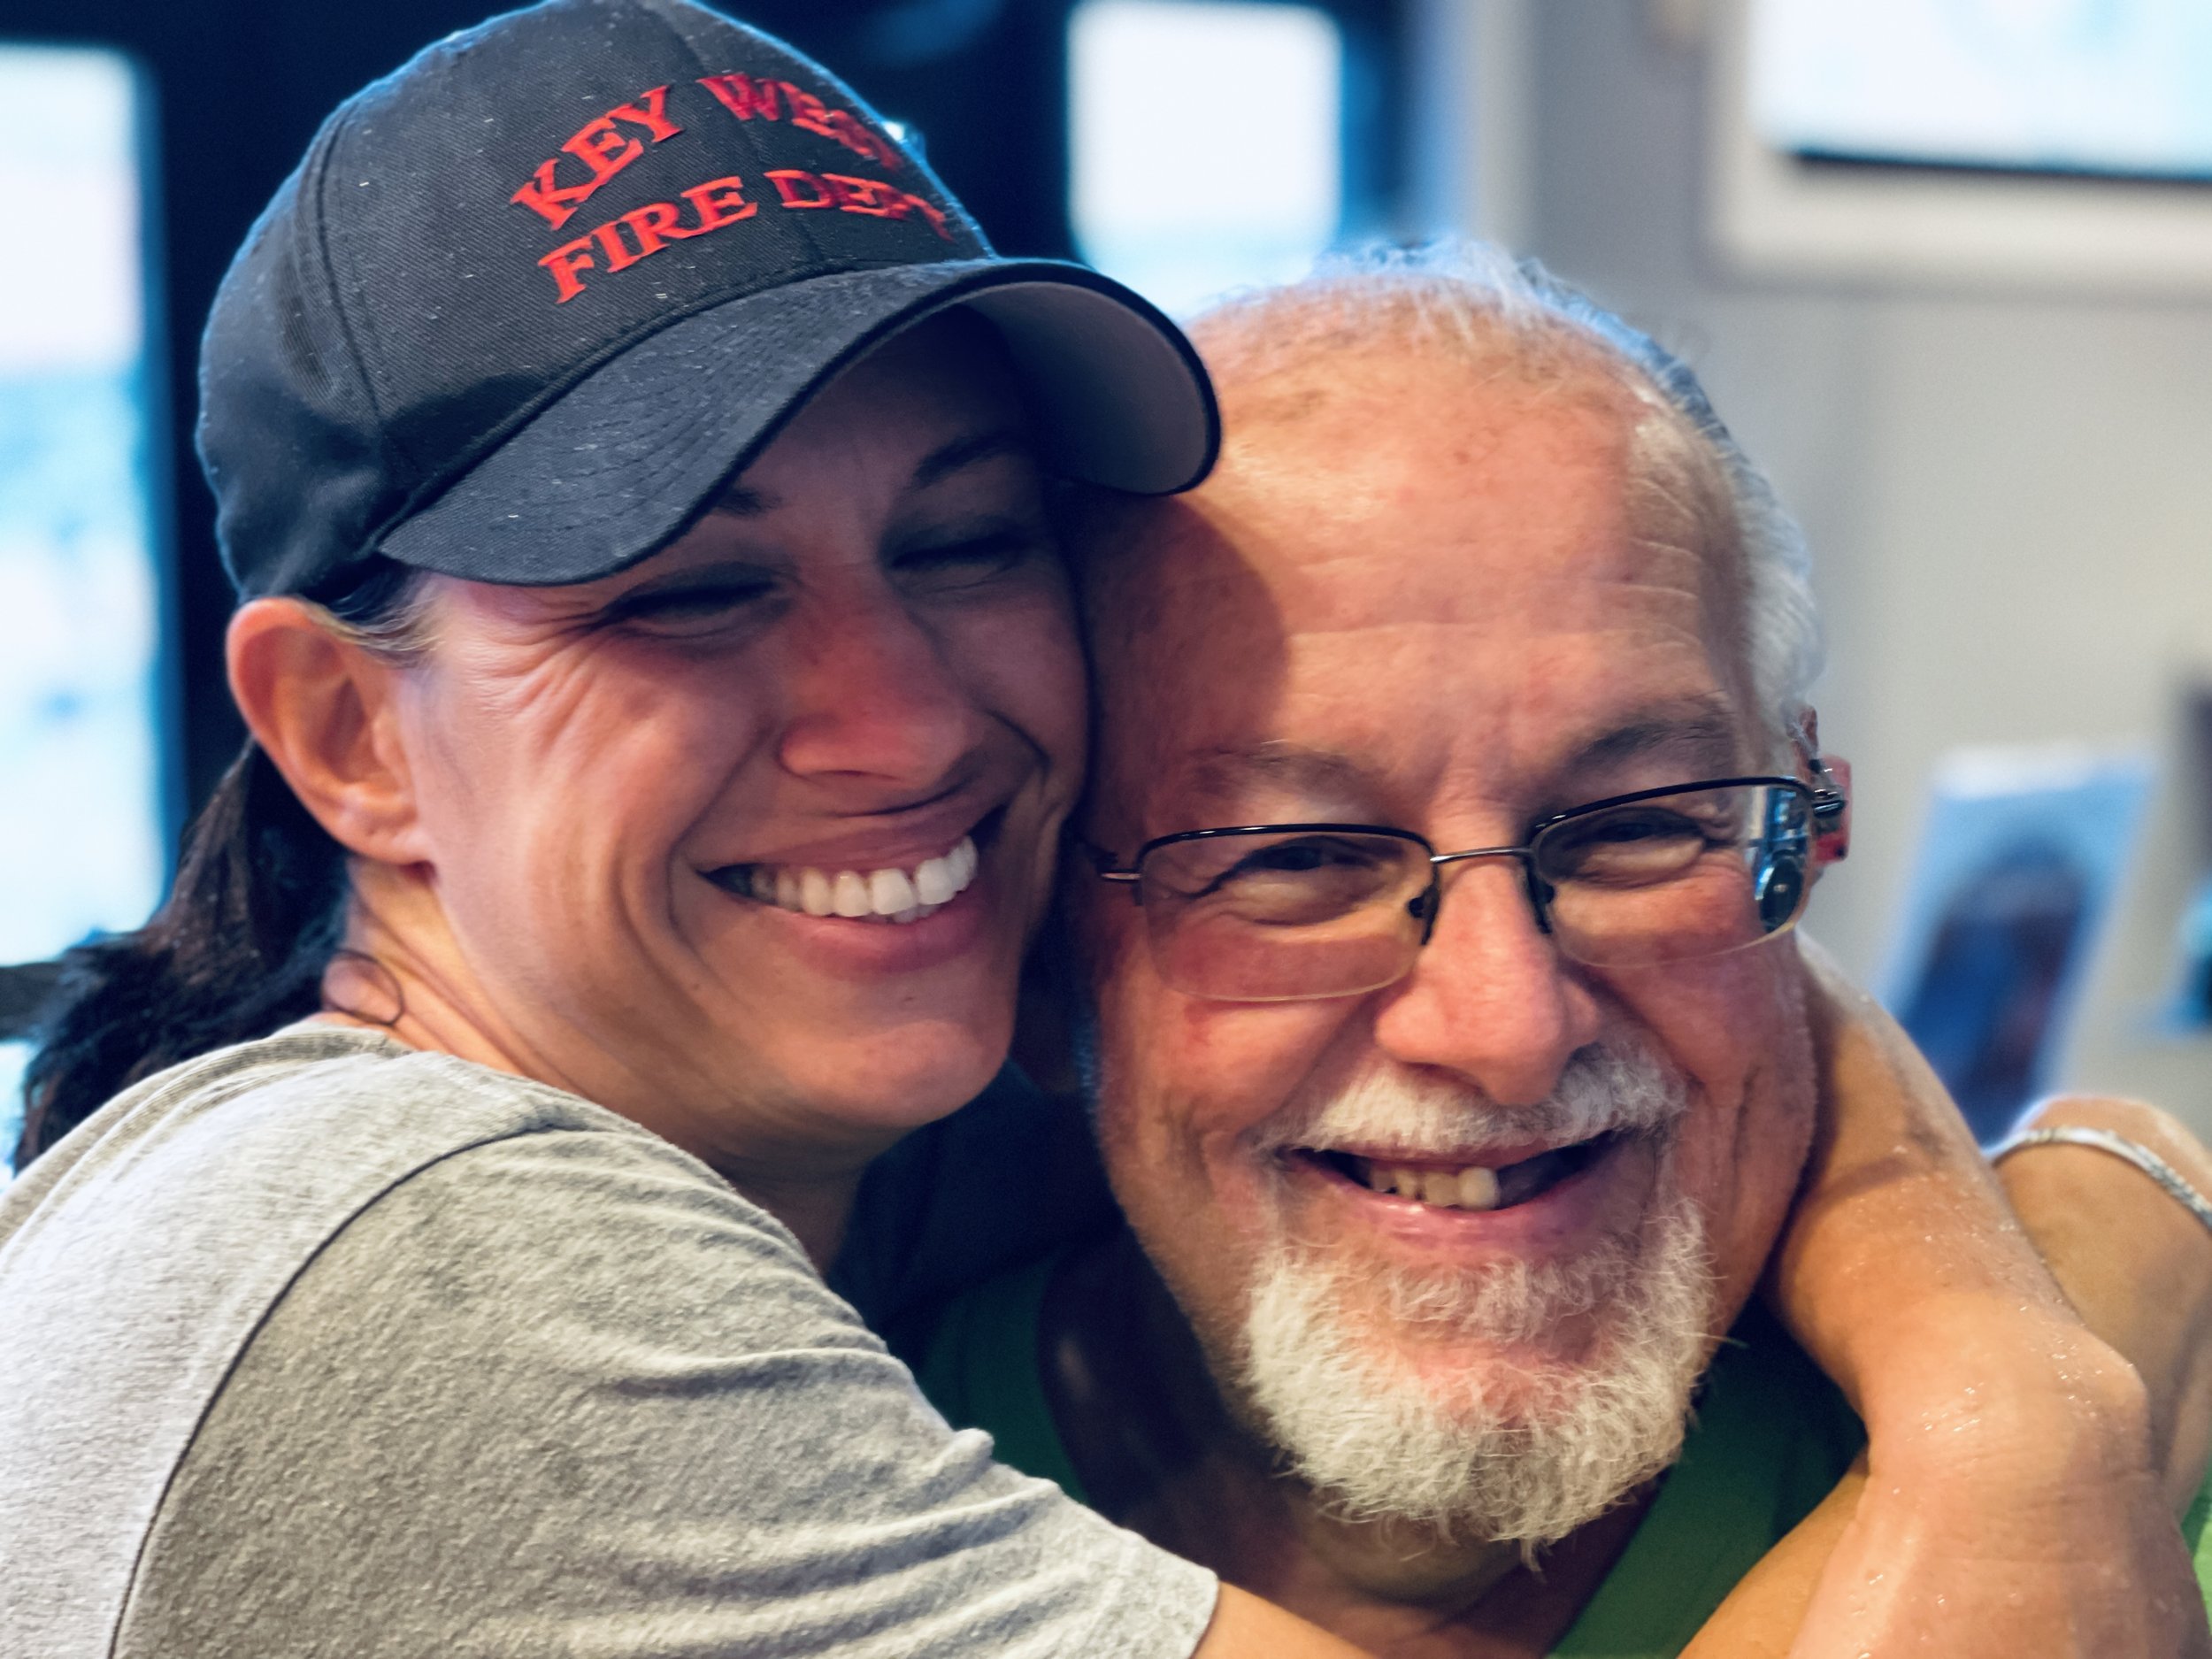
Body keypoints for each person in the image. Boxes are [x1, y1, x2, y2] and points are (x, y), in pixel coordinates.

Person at [0, 3, 2192, 1651]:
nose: (902, 718)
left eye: (958, 544)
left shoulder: (924, 1165)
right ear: (344, 735)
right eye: (689, 589)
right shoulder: (435, 1262)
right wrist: (2023, 1422)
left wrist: (2089, 1208)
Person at [913, 243, 2212, 1656]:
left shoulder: (2145, 1517)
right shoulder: (812, 1472)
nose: (1507, 1024)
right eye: (1297, 860)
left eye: (1635, 831)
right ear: (1042, 955)